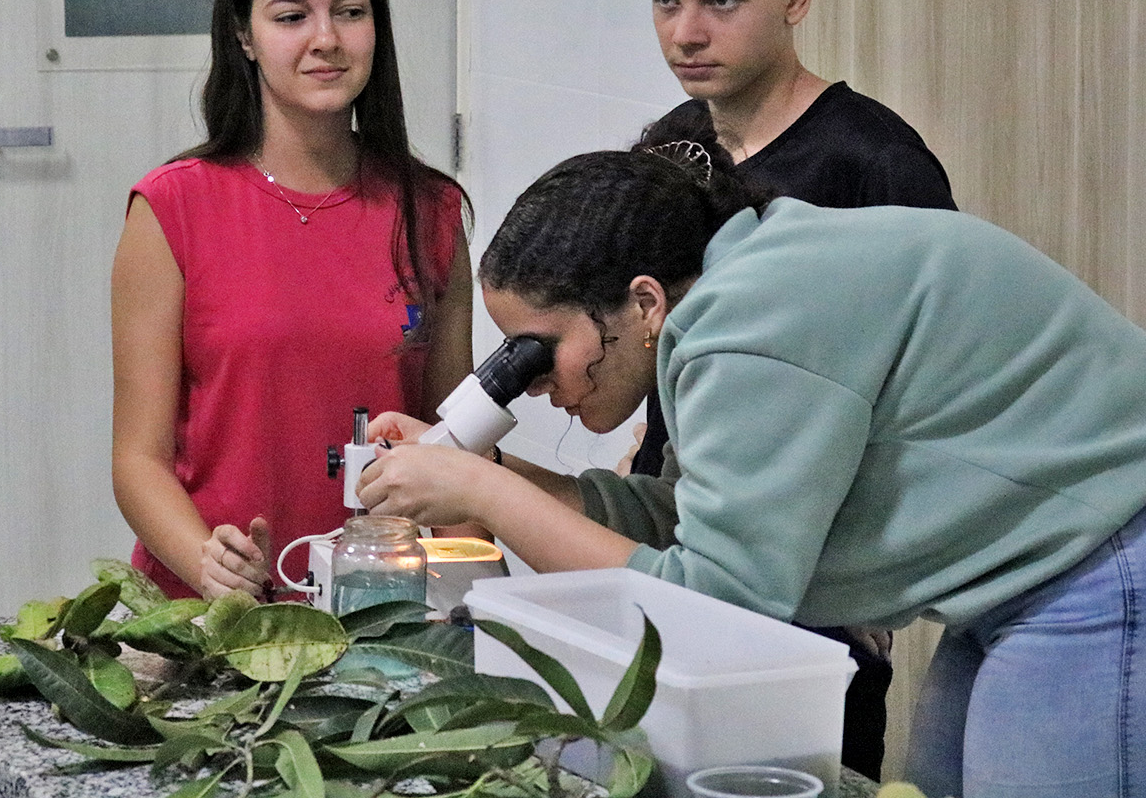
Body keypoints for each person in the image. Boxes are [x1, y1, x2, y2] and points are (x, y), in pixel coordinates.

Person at [358, 128, 1146, 797]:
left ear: (643, 303)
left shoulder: (752, 323)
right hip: (1028, 574)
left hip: (1100, 559)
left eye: (540, 349)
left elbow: (717, 605)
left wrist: (485, 491)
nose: (529, 383)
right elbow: (687, 525)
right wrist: (499, 472)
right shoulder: (735, 297)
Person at [630, 0, 956, 775]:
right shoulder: (669, 149)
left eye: (721, 0)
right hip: (685, 539)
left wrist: (873, 581)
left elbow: (926, 395)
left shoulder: (876, 162)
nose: (686, 32)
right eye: (664, 0)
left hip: (820, 585)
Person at [111, 0, 471, 600]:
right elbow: (137, 460)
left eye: (351, 11)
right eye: (291, 16)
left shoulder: (430, 210)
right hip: (207, 614)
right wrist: (207, 563)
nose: (326, 39)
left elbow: (453, 441)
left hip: (379, 605)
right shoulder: (172, 208)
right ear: (243, 36)